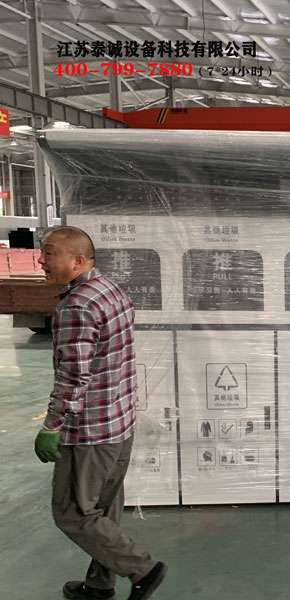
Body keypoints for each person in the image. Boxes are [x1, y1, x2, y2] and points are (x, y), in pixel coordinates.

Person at [33, 226, 168, 600]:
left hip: (90, 431)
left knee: (73, 512)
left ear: (78, 260)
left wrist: (51, 426)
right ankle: (99, 585)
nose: (41, 260)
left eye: (49, 253)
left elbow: (74, 375)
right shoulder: (110, 290)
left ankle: (143, 569)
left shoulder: (76, 306)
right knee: (104, 510)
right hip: (119, 423)